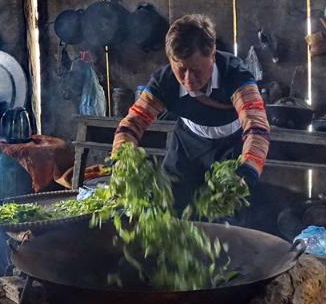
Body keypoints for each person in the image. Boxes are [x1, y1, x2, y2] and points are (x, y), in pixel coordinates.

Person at [113, 14, 270, 213]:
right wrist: (121, 159)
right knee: (169, 205)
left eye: (196, 70)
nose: (188, 80)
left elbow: (257, 128)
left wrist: (246, 172)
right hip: (187, 143)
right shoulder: (164, 81)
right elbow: (132, 123)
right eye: (181, 70)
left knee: (230, 210)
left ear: (212, 54)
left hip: (233, 144)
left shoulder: (235, 75)